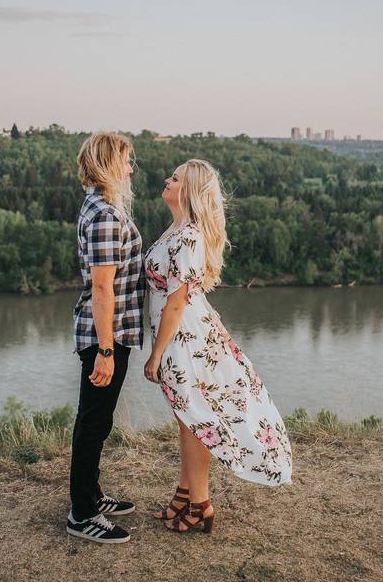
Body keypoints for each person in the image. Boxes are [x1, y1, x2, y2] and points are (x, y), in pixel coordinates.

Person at [142, 159, 293, 534]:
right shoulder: (177, 229)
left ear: (188, 190)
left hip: (184, 342)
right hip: (185, 335)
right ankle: (184, 493)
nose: (167, 180)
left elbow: (176, 303)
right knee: (188, 420)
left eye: (174, 178)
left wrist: (156, 354)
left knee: (196, 422)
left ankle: (201, 504)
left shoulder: (189, 236)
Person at [66, 132, 146, 545]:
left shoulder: (103, 207)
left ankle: (92, 495)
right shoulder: (104, 216)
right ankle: (82, 513)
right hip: (105, 336)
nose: (131, 168)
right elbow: (101, 288)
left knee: (97, 419)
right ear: (108, 164)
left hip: (111, 334)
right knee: (93, 421)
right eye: (127, 161)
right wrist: (106, 350)